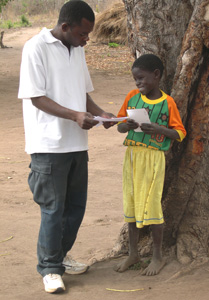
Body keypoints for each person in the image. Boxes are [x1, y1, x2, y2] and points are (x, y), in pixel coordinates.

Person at [18, 0, 115, 294]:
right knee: (53, 208)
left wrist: (100, 114)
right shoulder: (36, 48)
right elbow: (36, 97)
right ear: (65, 27)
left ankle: (58, 257)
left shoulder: (78, 50)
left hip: (77, 144)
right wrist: (74, 116)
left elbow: (82, 93)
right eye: (83, 34)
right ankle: (49, 269)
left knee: (75, 207)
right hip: (48, 144)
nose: (87, 39)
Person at [114, 54, 186, 276]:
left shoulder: (167, 102)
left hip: (154, 158)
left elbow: (180, 132)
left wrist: (159, 130)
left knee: (152, 204)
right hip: (133, 157)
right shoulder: (132, 97)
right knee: (132, 204)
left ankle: (157, 257)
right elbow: (119, 125)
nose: (138, 83)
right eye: (135, 80)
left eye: (141, 79)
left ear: (156, 75)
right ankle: (133, 253)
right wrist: (126, 126)